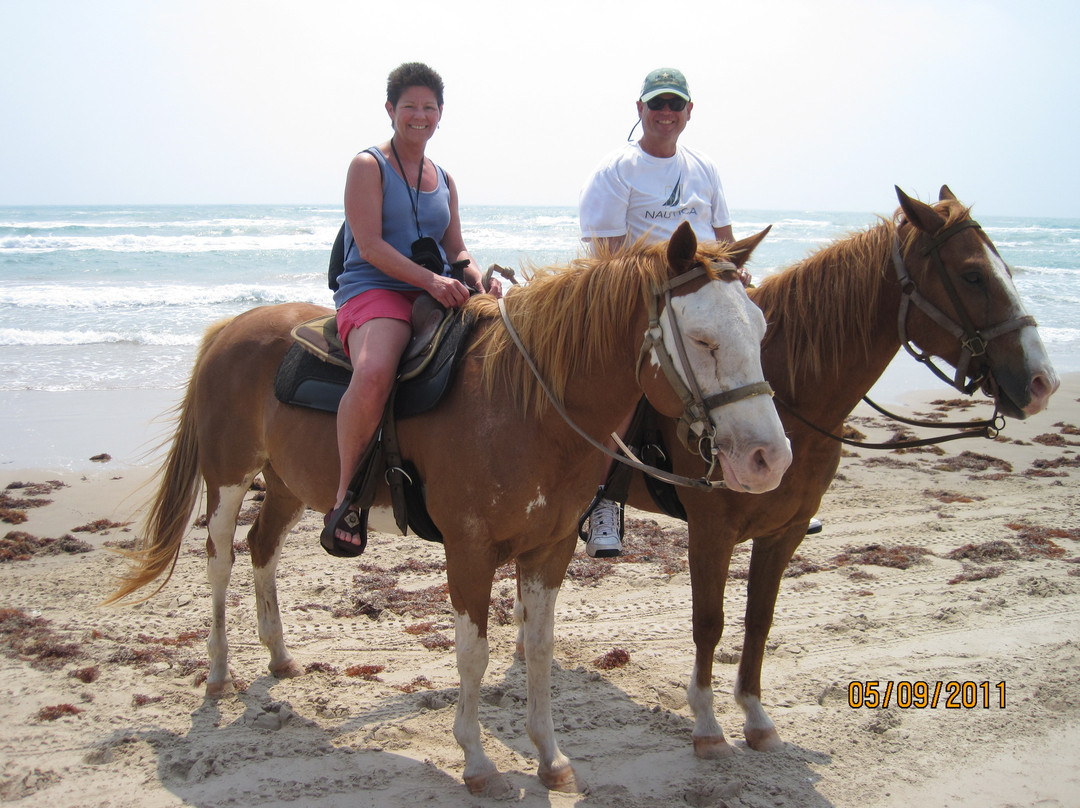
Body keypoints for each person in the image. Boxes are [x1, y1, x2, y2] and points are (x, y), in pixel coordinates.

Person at [322, 62, 501, 556]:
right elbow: (371, 245)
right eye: (409, 107)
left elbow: (456, 247)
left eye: (428, 108)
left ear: (440, 114)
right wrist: (431, 280)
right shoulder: (367, 166)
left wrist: (480, 279)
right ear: (390, 110)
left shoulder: (444, 177)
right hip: (374, 288)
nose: (419, 116)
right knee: (376, 369)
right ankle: (347, 496)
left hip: (433, 288)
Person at [577, 67, 739, 558]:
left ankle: (764, 474)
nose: (665, 114)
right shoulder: (616, 170)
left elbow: (726, 242)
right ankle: (604, 500)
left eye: (675, 105)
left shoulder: (704, 168)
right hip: (640, 301)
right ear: (640, 110)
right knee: (622, 391)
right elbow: (604, 256)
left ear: (689, 112)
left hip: (702, 294)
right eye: (657, 105)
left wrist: (734, 278)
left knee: (757, 361)